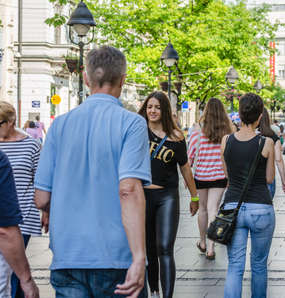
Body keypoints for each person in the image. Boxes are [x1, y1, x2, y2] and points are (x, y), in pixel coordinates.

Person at [34, 46, 150, 298]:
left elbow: (41, 198)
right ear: (123, 79)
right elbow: (129, 189)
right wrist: (139, 256)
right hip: (116, 256)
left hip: (68, 257)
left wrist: (51, 208)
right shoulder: (132, 123)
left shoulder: (59, 126)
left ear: (86, 79)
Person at [138, 91, 199, 298]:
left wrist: (194, 196)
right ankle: (154, 291)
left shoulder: (176, 137)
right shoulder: (137, 131)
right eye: (149, 107)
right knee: (149, 250)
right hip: (142, 197)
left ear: (164, 110)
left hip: (167, 197)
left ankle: (167, 295)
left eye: (157, 107)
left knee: (165, 248)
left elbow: (185, 169)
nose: (152, 111)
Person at [221, 93, 275, 298]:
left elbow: (227, 175)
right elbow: (269, 178)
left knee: (235, 266)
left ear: (240, 114)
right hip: (261, 207)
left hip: (231, 207)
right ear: (260, 117)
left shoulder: (226, 141)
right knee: (259, 265)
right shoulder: (266, 142)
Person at [0, 101, 42, 298]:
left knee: (15, 268)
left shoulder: (31, 146)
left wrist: (47, 211)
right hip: (3, 215)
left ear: (11, 121)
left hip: (23, 215)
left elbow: (40, 181)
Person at [188, 98, 232, 260]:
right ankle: (211, 248)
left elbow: (190, 155)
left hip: (200, 176)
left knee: (203, 209)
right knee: (214, 208)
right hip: (220, 176)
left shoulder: (197, 130)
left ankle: (202, 241)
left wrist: (188, 179)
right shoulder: (227, 131)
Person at [259, 108, 285, 198]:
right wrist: (284, 181)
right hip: (268, 177)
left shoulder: (243, 136)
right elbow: (278, 160)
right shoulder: (273, 137)